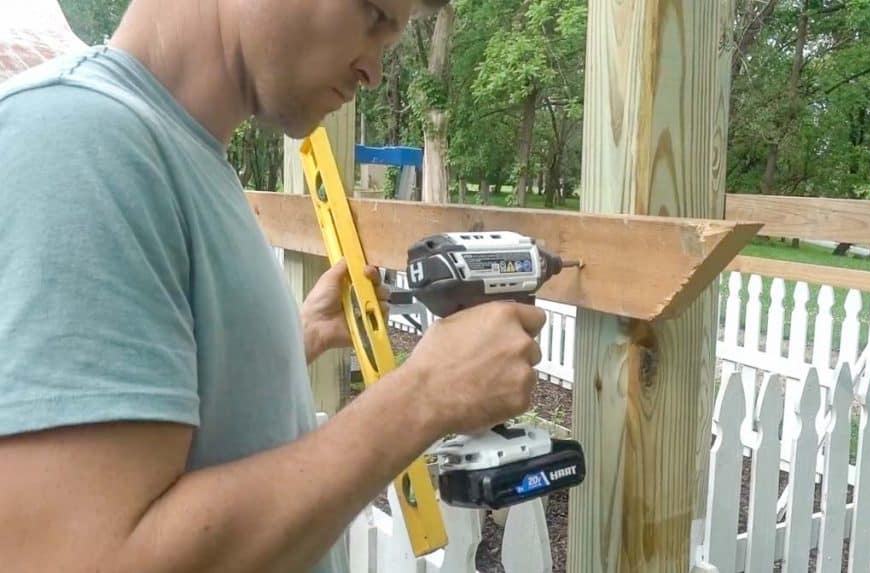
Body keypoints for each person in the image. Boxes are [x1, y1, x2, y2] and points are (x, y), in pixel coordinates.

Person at [0, 1, 547, 571]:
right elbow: (81, 557)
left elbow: (183, 411)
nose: (375, 72)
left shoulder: (183, 152)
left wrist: (291, 339)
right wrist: (422, 397)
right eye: (373, 13)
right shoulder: (78, 142)